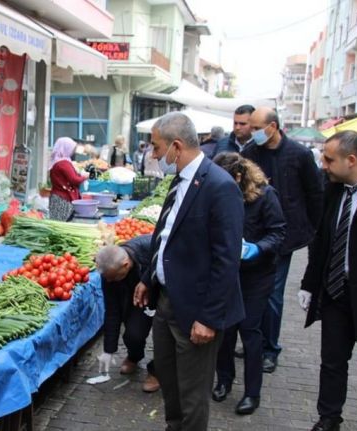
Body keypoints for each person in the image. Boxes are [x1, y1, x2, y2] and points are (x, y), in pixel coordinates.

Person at [133, 112, 245, 430]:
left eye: (157, 148)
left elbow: (227, 260)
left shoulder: (219, 187)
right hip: (167, 301)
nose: (154, 155)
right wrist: (147, 278)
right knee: (170, 381)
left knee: (193, 393)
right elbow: (165, 237)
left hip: (197, 308)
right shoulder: (179, 180)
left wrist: (209, 318)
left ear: (177, 146)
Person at [299, 131, 357, 431]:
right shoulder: (334, 188)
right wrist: (310, 283)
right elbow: (321, 240)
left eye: (329, 159)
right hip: (337, 290)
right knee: (332, 360)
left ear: (351, 160)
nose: (323, 165)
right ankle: (328, 418)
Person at [241, 106, 323, 373]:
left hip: (284, 236)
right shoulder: (249, 153)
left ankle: (269, 349)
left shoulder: (299, 154)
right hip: (252, 235)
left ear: (273, 127)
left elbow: (314, 193)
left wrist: (313, 230)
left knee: (272, 294)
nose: (251, 133)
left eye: (255, 128)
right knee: (249, 290)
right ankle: (253, 339)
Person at [211, 152, 286, 415]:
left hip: (257, 274)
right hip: (228, 273)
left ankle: (252, 393)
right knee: (225, 329)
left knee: (250, 330)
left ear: (239, 176)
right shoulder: (219, 194)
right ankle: (224, 379)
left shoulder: (266, 196)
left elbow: (278, 233)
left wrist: (257, 248)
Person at [95, 235, 161, 393]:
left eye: (114, 278)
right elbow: (112, 311)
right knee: (133, 334)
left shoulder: (150, 248)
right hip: (137, 300)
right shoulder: (109, 273)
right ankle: (134, 356)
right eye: (108, 279)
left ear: (125, 265)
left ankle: (157, 371)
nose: (111, 282)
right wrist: (108, 350)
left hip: (163, 294)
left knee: (165, 337)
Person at [49, 137, 88, 221]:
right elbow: (74, 180)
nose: (72, 152)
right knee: (61, 225)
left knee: (57, 224)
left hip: (58, 197)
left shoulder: (57, 161)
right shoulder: (63, 163)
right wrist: (84, 177)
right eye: (71, 149)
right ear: (65, 148)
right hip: (63, 200)